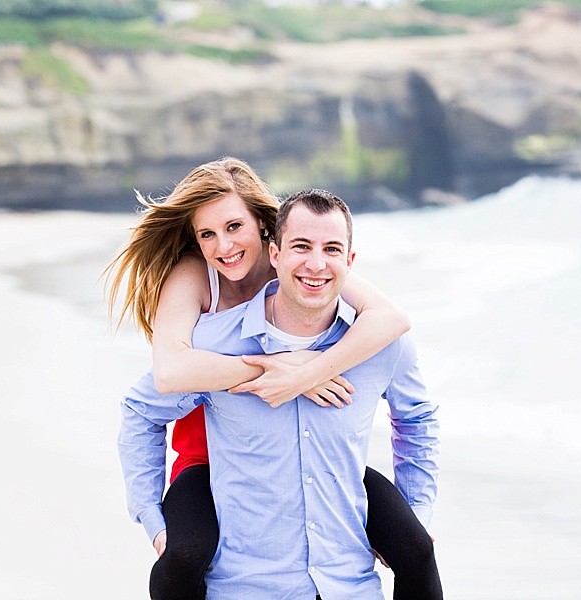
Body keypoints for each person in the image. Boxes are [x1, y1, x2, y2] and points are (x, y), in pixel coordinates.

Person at [107, 158, 441, 599]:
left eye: (234, 227)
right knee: (184, 556)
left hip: (319, 459)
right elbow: (168, 375)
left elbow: (393, 319)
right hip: (208, 453)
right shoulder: (197, 279)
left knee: (416, 547)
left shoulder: (308, 263)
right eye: (208, 234)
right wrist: (276, 370)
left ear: (265, 230)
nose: (224, 245)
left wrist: (312, 370)